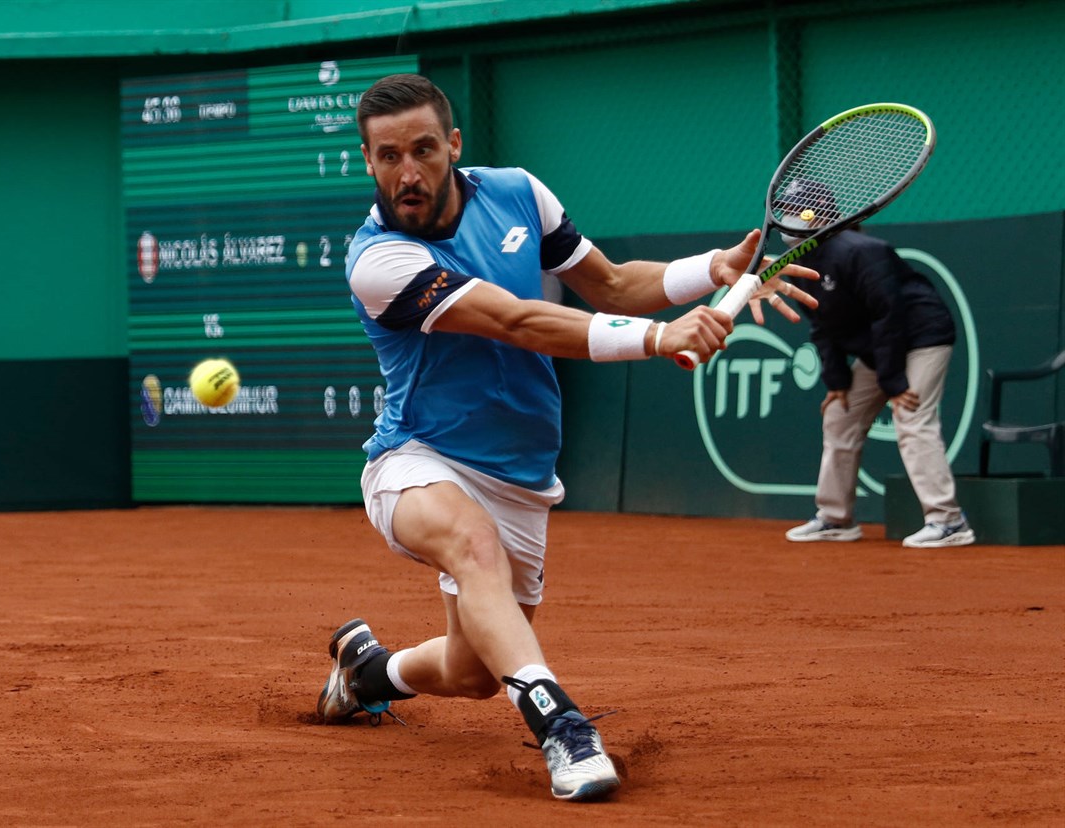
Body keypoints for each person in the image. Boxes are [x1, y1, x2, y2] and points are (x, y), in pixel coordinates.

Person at [316, 73, 819, 802]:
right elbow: (516, 321)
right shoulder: (377, 261)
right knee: (469, 544)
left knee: (473, 673)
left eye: (424, 150)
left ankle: (366, 673)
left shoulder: (519, 193)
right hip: (418, 459)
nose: (409, 172)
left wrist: (713, 270)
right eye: (389, 156)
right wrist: (658, 338)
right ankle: (564, 729)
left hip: (519, 473)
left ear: (453, 145)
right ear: (368, 161)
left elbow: (611, 285)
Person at [780, 180, 974, 548]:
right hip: (879, 348)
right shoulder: (801, 262)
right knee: (840, 415)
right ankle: (835, 518)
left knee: (912, 417)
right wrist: (837, 382)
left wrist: (894, 382)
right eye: (786, 212)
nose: (790, 219)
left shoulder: (862, 251)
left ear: (823, 215)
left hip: (921, 338)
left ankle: (948, 521)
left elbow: (889, 314)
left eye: (798, 211)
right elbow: (822, 326)